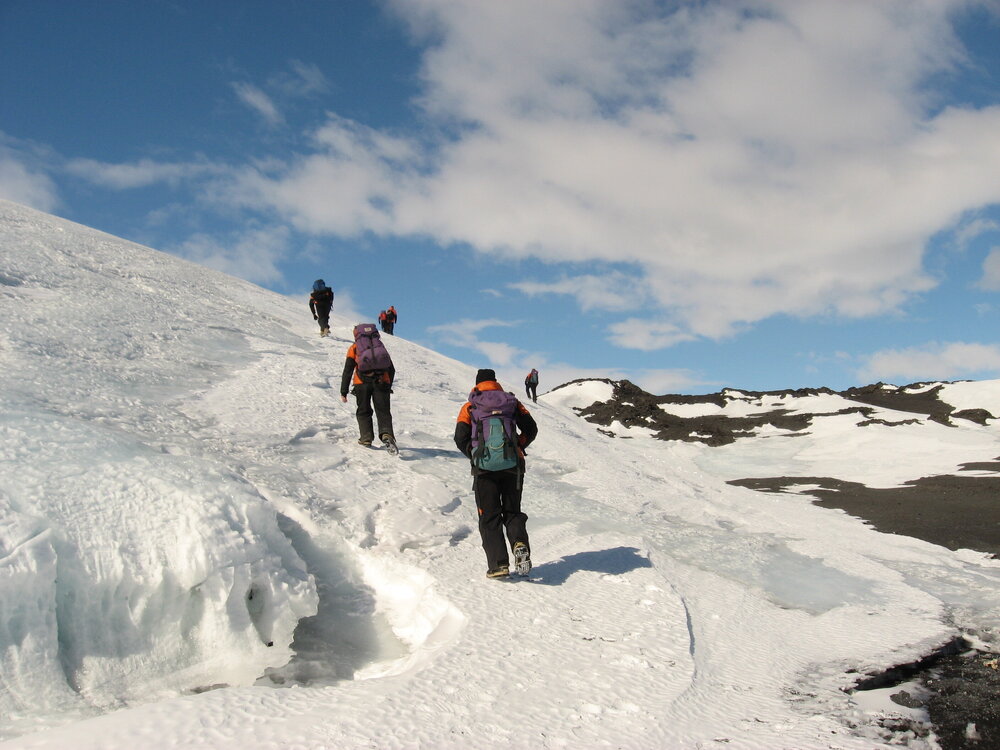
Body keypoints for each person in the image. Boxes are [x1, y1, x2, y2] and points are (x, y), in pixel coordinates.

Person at [454, 369, 538, 578]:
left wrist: (475, 455)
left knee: (489, 516)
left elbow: (459, 437)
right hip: (513, 466)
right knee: (512, 511)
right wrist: (517, 446)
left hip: (484, 469)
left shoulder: (470, 405)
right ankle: (519, 543)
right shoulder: (512, 402)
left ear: (477, 384)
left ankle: (498, 565)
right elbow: (531, 428)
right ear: (495, 382)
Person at [340, 323, 397, 453]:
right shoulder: (380, 347)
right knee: (383, 411)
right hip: (382, 382)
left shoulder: (354, 348)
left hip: (361, 383)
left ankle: (366, 437)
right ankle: (386, 434)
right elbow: (391, 368)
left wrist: (344, 391)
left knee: (363, 410)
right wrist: (388, 385)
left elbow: (348, 370)